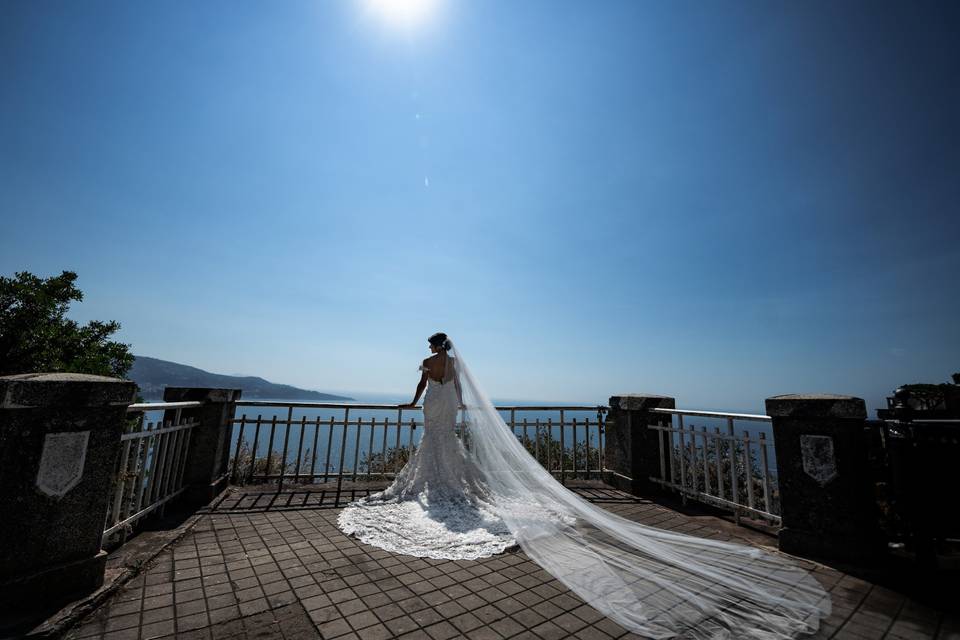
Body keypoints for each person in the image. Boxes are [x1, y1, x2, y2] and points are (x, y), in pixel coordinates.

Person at [338, 334, 832, 639]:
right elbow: (460, 393)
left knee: (434, 444)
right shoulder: (457, 366)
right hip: (451, 411)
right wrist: (460, 405)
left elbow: (421, 390)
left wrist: (411, 402)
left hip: (432, 411)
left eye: (431, 347)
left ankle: (432, 488)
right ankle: (453, 483)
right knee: (449, 444)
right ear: (450, 348)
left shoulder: (426, 364)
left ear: (431, 347)